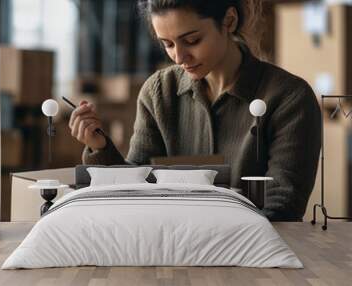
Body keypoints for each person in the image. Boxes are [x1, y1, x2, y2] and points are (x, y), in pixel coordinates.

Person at [68, 0, 321, 221]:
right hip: (169, 247)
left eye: (192, 40)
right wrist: (100, 147)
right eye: (167, 44)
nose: (178, 57)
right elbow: (137, 186)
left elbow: (284, 206)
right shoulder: (159, 92)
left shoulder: (289, 97)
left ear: (229, 21)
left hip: (254, 253)